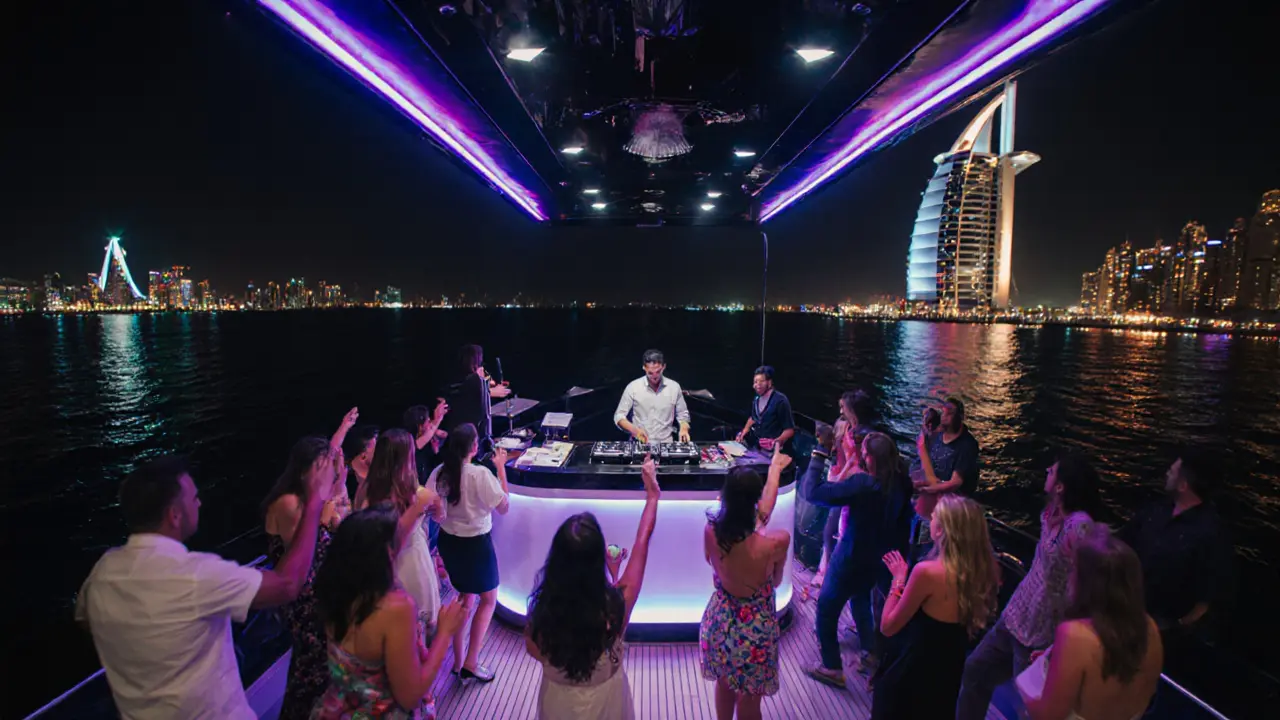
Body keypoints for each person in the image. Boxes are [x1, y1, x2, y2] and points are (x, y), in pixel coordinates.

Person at [76, 453, 337, 719]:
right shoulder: (195, 575)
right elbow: (287, 585)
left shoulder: (102, 574)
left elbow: (86, 618)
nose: (200, 503)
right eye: (194, 498)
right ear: (174, 515)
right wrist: (314, 500)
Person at [956, 451, 1102, 720]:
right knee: (975, 670)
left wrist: (1059, 643)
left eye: (1052, 471)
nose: (1047, 470)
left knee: (1030, 707)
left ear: (1061, 486)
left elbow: (1086, 581)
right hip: (1016, 614)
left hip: (1042, 629)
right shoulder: (1051, 512)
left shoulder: (1080, 527)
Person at [525, 456, 662, 719]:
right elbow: (642, 541)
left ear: (557, 560)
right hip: (606, 703)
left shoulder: (542, 612)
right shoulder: (615, 607)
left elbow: (533, 649)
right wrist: (652, 495)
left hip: (558, 704)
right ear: (598, 558)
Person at [312, 506, 467, 720]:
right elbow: (411, 696)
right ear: (385, 553)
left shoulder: (335, 592)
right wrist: (445, 633)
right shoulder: (395, 609)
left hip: (338, 709)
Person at [872, 495, 999, 719]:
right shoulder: (985, 571)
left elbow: (888, 626)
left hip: (914, 670)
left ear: (941, 530)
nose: (930, 517)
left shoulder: (928, 572)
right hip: (948, 670)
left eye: (934, 516)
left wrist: (898, 579)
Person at [805, 432, 913, 689]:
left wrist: (820, 452)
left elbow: (813, 492)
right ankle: (870, 653)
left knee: (827, 608)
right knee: (861, 599)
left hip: (851, 556)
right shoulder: (901, 482)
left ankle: (831, 667)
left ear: (870, 459)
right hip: (877, 560)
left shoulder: (864, 485)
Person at [1019, 528, 1163, 720]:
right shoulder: (1150, 627)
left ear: (1087, 582)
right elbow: (1146, 693)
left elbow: (1048, 716)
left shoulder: (1073, 635)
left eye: (1074, 570)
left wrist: (1027, 693)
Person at [700, 451, 793, 720]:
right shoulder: (775, 542)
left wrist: (774, 468)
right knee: (750, 697)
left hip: (721, 618)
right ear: (754, 501)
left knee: (725, 684)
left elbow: (710, 561)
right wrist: (774, 466)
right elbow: (775, 581)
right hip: (756, 626)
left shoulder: (711, 530)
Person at [261, 437, 345, 720]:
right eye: (321, 467)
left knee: (325, 675)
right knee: (310, 676)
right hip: (304, 604)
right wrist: (324, 518)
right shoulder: (289, 503)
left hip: (322, 600)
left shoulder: (311, 503)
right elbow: (302, 560)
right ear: (303, 470)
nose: (328, 473)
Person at [425, 423, 510, 682]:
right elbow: (504, 507)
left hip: (449, 542)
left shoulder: (441, 472)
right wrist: (501, 468)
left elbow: (429, 503)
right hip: (475, 544)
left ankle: (459, 661)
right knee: (488, 600)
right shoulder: (480, 474)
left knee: (465, 596)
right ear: (474, 447)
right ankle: (471, 663)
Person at [1118, 450, 1232, 636]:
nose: (1167, 474)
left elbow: (1207, 600)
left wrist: (1174, 627)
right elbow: (1123, 541)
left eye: (1172, 471)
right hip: (1127, 614)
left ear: (1182, 485)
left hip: (1160, 631)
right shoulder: (1155, 511)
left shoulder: (1209, 535)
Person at [365, 429, 443, 642]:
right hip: (411, 562)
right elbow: (440, 517)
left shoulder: (367, 491)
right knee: (419, 631)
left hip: (378, 566)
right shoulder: (420, 496)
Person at [814, 390, 883, 588]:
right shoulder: (852, 429)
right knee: (833, 530)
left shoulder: (864, 434)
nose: (840, 410)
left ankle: (838, 577)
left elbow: (857, 462)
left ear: (853, 410)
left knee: (841, 532)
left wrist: (838, 478)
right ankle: (830, 571)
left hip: (855, 489)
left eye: (843, 407)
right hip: (846, 484)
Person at [910, 397, 980, 561]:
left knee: (931, 551)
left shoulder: (967, 445)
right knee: (915, 546)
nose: (945, 415)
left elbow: (956, 482)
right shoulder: (937, 434)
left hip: (946, 510)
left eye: (950, 412)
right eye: (944, 411)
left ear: (960, 416)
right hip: (927, 503)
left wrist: (929, 489)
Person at [444, 344, 512, 458]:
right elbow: (475, 394)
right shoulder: (472, 379)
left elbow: (487, 385)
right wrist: (490, 390)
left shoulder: (471, 377)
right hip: (473, 428)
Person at [613, 348, 691, 444]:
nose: (654, 376)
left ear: (663, 367)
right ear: (644, 368)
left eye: (658, 372)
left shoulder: (674, 387)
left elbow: (683, 415)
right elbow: (619, 416)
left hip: (666, 444)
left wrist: (684, 429)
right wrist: (635, 430)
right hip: (639, 443)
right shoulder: (633, 387)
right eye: (650, 373)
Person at [403, 400, 450, 548]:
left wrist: (433, 429)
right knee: (424, 538)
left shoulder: (427, 442)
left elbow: (444, 435)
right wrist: (438, 419)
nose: (430, 423)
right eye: (427, 420)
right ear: (419, 426)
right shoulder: (411, 445)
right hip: (417, 499)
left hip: (430, 494)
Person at [734, 365, 795, 454]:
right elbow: (753, 418)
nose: (757, 385)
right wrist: (744, 431)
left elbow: (789, 430)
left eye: (761, 381)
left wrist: (775, 442)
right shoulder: (756, 399)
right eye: (755, 382)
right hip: (757, 447)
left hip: (775, 452)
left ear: (769, 383)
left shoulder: (780, 401)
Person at [344, 423, 380, 511]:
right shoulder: (346, 484)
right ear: (363, 457)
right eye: (377, 448)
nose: (382, 451)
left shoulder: (381, 483)